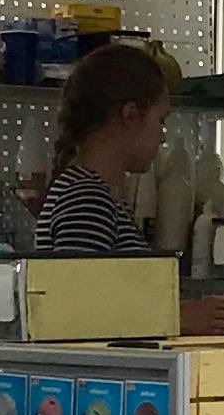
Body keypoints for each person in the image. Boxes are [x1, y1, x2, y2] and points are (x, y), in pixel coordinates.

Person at [32, 40, 172, 258]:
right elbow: (82, 280)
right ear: (130, 115)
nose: (163, 136)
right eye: (160, 120)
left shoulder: (92, 194)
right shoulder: (88, 201)